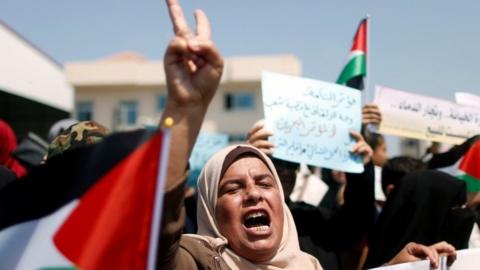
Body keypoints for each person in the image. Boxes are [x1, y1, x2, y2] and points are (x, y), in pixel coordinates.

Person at [157, 1, 456, 269]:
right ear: (209, 208)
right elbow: (156, 236)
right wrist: (184, 112)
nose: (253, 194)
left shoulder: (309, 264)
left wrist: (397, 268)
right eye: (233, 187)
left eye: (265, 182)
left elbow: (352, 224)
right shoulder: (195, 260)